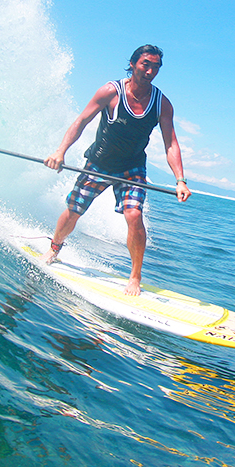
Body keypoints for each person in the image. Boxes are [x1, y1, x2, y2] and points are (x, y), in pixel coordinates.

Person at [42, 44, 192, 296]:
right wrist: (60, 152)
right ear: (133, 64)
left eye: (156, 67)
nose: (151, 71)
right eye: (146, 64)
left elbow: (171, 143)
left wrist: (180, 179)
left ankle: (135, 277)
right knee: (73, 211)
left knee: (134, 215)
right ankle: (54, 248)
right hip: (99, 163)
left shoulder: (162, 104)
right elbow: (81, 121)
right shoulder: (110, 92)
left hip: (132, 168)